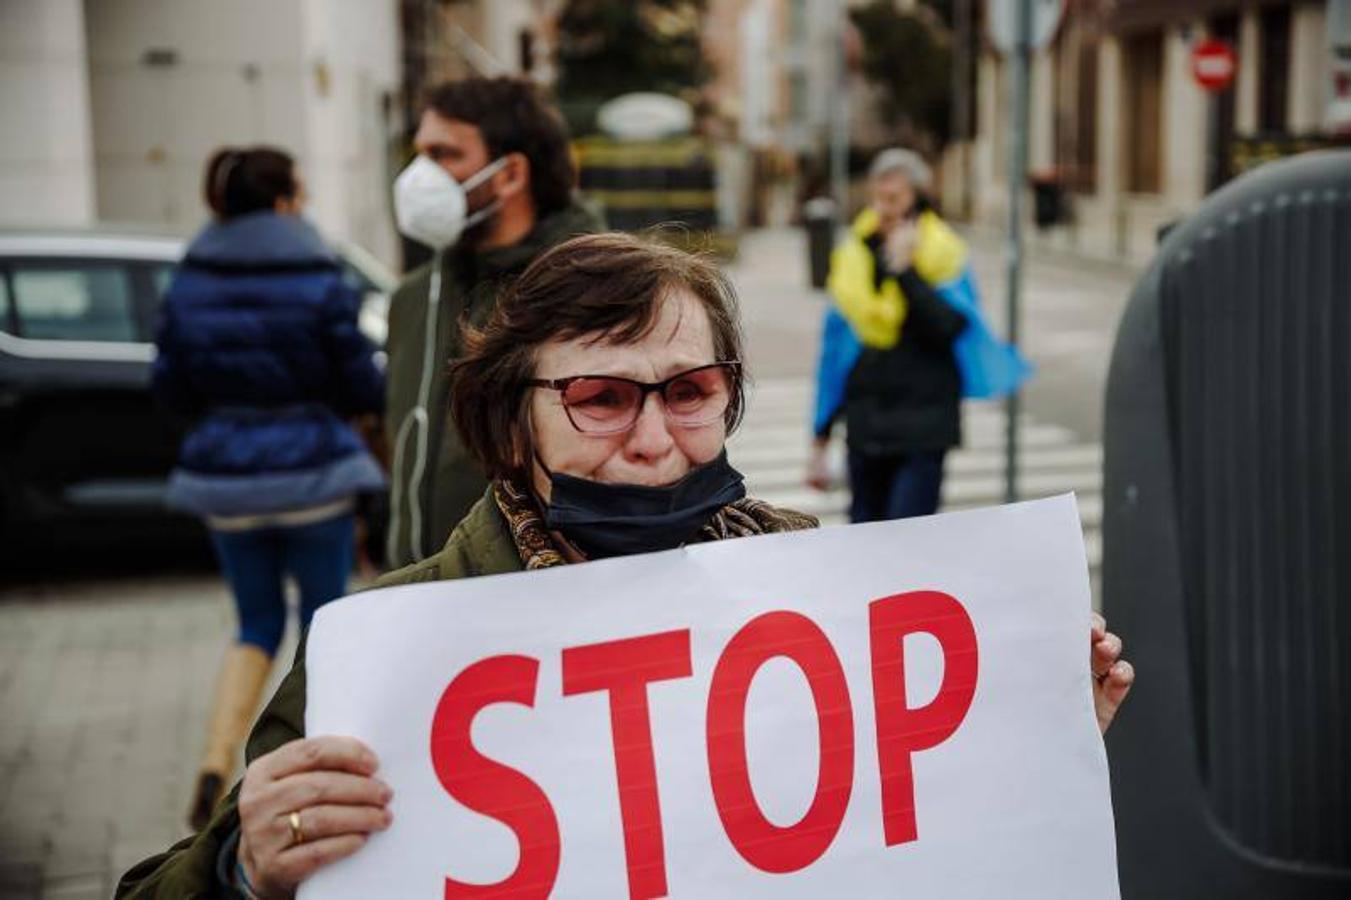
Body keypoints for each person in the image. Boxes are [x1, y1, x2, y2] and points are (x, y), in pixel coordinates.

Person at [119, 233, 1133, 899]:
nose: (652, 439)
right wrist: (240, 869)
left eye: (688, 388)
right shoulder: (391, 647)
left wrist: (1030, 737)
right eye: (600, 398)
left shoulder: (828, 589)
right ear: (510, 426)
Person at [153, 146, 386, 830]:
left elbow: (168, 385)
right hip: (316, 475)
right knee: (325, 622)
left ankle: (215, 761)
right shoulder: (317, 272)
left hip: (225, 484)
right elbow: (359, 381)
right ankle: (320, 768)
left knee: (255, 624)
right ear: (286, 199)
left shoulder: (189, 277)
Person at [384, 75, 601, 571]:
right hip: (421, 592)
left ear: (510, 174)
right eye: (419, 153)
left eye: (445, 154)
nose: (420, 175)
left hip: (535, 597)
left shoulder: (591, 289)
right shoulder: (415, 296)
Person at [807, 148, 1030, 522]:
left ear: (917, 199)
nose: (883, 209)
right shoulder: (855, 255)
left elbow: (950, 327)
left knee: (911, 546)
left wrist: (906, 271)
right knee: (865, 549)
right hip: (866, 429)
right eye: (877, 198)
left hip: (923, 430)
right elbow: (834, 352)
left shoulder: (943, 254)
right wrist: (820, 434)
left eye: (894, 199)